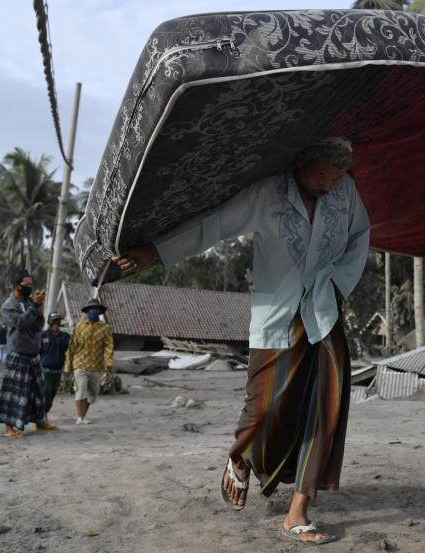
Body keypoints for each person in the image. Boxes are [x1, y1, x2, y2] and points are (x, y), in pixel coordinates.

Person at [113, 137, 369, 545]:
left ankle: (298, 511)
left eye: (335, 178)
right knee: (264, 406)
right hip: (277, 315)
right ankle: (241, 456)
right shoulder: (267, 193)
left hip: (324, 312)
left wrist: (337, 282)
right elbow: (211, 225)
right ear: (301, 164)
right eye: (321, 175)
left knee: (328, 405)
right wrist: (155, 253)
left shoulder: (345, 193)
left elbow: (360, 236)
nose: (327, 185)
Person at [0, 270, 57, 437]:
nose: (30, 288)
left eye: (31, 285)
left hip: (33, 353)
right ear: (17, 286)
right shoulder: (9, 305)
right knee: (14, 392)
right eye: (27, 285)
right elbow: (21, 323)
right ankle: (9, 428)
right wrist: (35, 307)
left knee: (39, 390)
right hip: (18, 354)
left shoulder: (29, 302)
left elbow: (38, 325)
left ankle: (41, 422)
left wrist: (39, 307)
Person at [63, 298, 113, 425]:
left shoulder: (105, 328)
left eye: (96, 310)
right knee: (81, 387)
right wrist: (68, 366)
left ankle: (83, 416)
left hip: (96, 365)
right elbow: (72, 346)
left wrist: (109, 362)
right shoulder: (79, 327)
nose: (93, 312)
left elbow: (108, 346)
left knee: (93, 393)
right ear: (87, 312)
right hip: (80, 363)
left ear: (99, 312)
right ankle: (79, 417)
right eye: (91, 310)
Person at [40, 312, 70, 426]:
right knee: (46, 393)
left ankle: (44, 415)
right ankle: (43, 418)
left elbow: (71, 352)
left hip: (58, 371)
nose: (56, 324)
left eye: (58, 321)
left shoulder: (65, 337)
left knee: (52, 394)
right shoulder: (43, 336)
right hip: (45, 370)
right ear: (49, 322)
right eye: (53, 321)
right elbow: (38, 352)